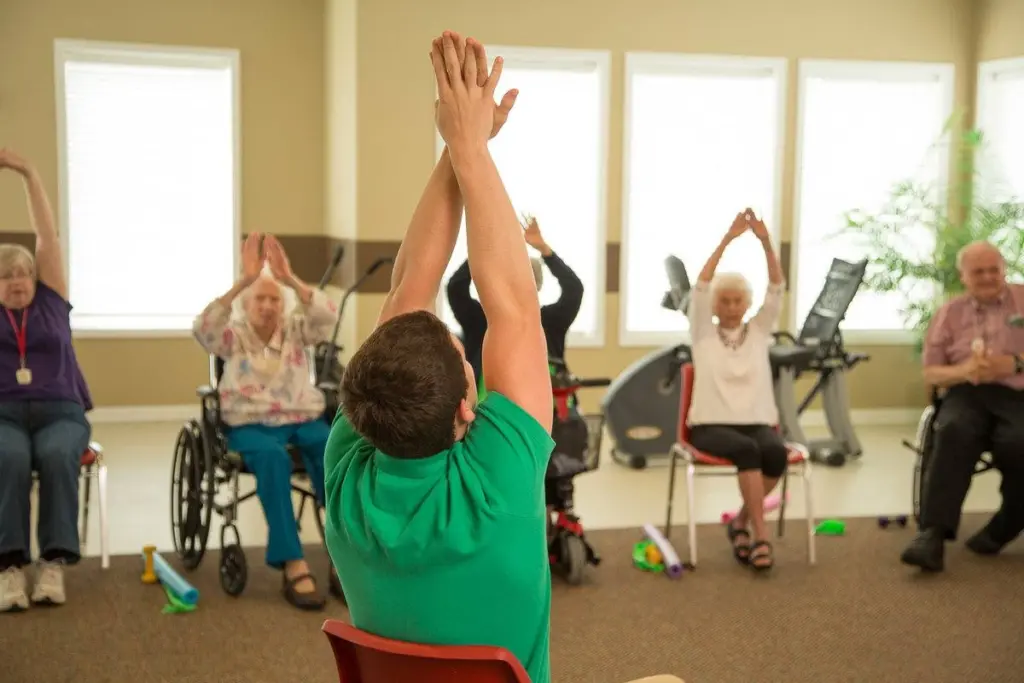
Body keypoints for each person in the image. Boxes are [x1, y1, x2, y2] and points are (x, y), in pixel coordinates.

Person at [323, 31, 683, 683]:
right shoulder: (497, 481)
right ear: (468, 405)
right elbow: (515, 303)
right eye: (467, 358)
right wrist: (467, 142)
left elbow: (411, 288)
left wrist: (463, 145)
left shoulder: (346, 471)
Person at [192, 232, 338, 609]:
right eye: (260, 298)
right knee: (272, 458)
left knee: (331, 448)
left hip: (300, 417)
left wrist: (290, 279)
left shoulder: (295, 330)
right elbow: (201, 328)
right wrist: (244, 279)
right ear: (246, 303)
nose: (268, 305)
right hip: (249, 423)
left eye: (275, 299)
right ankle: (293, 561)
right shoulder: (232, 336)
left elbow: (327, 315)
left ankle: (343, 552)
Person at [0, 148, 93, 612]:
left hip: (60, 409)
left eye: (24, 272)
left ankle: (52, 562)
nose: (18, 279)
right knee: (8, 457)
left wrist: (28, 172)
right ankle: (10, 567)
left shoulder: (52, 301)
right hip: (4, 415)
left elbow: (47, 237)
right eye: (6, 275)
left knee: (58, 454)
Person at [900, 240, 1024, 572]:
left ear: (1004, 270)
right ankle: (932, 535)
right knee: (953, 431)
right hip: (965, 393)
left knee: (1018, 444)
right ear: (964, 276)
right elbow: (931, 372)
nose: (987, 277)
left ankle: (1007, 524)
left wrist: (1013, 365)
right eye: (978, 271)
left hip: (1018, 395)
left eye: (993, 270)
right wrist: (965, 370)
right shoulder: (949, 314)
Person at [686, 210, 787, 571]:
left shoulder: (759, 331)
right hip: (710, 425)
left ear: (747, 304)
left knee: (775, 454)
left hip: (756, 421)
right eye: (723, 300)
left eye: (737, 301)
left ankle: (740, 521)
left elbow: (777, 288)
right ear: (714, 305)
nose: (730, 307)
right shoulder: (702, 333)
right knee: (747, 451)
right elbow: (700, 283)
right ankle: (761, 535)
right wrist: (728, 239)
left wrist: (764, 242)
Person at [446, 215, 583, 384]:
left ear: (536, 286)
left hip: (552, 408)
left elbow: (574, 290)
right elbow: (456, 288)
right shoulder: (480, 321)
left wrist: (545, 251)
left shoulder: (550, 321)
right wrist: (485, 247)